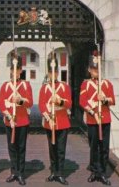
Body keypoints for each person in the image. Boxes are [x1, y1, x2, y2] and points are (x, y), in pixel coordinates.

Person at [79, 50, 115, 185]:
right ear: (89, 70)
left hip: (105, 118)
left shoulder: (106, 84)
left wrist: (104, 99)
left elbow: (112, 100)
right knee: (94, 146)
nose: (95, 71)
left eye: (97, 69)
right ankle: (95, 171)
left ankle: (103, 172)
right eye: (93, 69)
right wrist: (93, 111)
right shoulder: (85, 84)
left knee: (104, 147)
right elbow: (82, 101)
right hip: (93, 119)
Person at [0, 53, 33, 186]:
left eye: (17, 69)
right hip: (10, 120)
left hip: (22, 120)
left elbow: (30, 102)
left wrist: (20, 100)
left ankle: (21, 173)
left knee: (21, 147)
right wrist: (7, 114)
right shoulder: (6, 86)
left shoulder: (25, 85)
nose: (15, 72)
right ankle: (13, 171)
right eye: (13, 69)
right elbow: (1, 103)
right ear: (11, 71)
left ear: (20, 71)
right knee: (11, 147)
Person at [38, 53, 72, 185]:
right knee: (52, 149)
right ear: (48, 73)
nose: (53, 74)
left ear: (57, 73)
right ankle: (53, 171)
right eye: (51, 72)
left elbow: (69, 103)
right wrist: (48, 117)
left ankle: (60, 173)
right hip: (50, 122)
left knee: (61, 149)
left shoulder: (64, 86)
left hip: (62, 121)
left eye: (55, 72)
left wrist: (59, 101)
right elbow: (41, 105)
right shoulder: (45, 88)